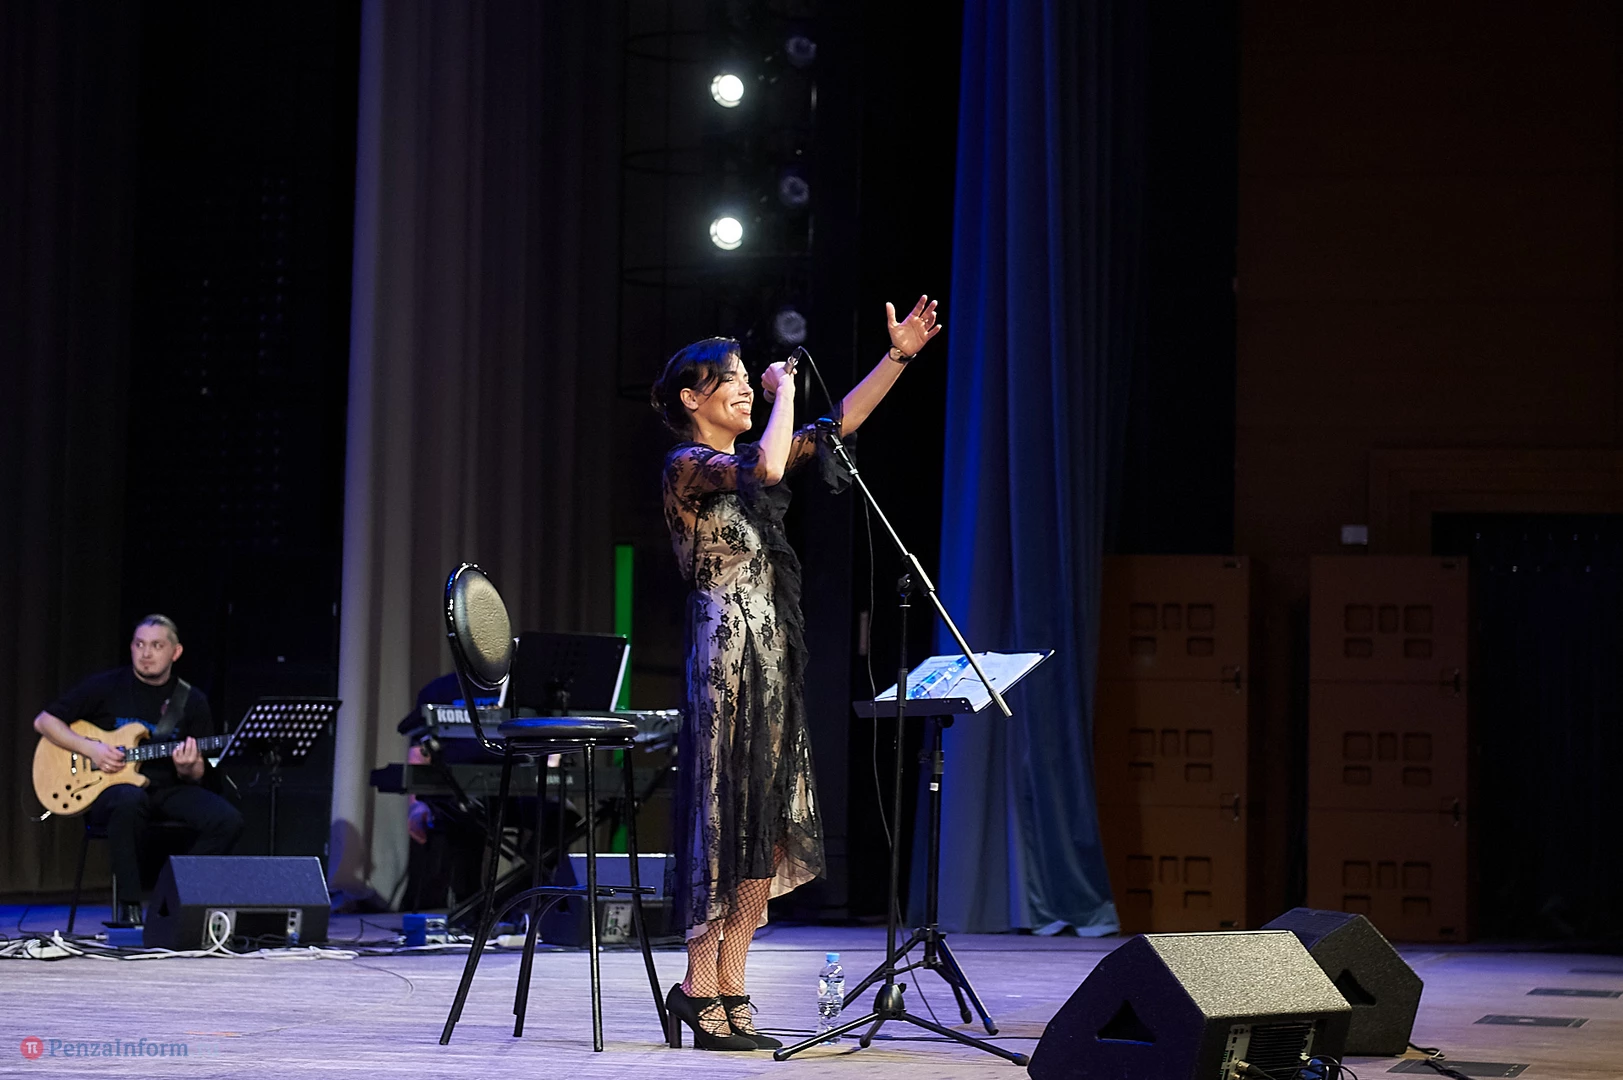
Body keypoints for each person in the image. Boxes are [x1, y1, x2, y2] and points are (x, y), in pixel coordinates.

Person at [650, 295, 942, 1050]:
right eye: (731, 378)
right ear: (691, 399)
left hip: (774, 657)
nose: (747, 386)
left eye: (749, 376)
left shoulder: (743, 460)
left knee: (768, 821)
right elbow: (770, 463)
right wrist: (783, 396)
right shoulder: (688, 466)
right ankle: (696, 986)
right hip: (724, 662)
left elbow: (836, 425)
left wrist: (899, 356)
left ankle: (730, 981)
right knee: (726, 818)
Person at [33, 615, 243, 925]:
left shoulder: (191, 700)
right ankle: (129, 909)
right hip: (111, 790)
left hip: (170, 788)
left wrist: (190, 768)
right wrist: (91, 749)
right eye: (139, 644)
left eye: (156, 646)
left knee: (228, 820)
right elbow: (44, 722)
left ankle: (173, 896)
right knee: (129, 800)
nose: (146, 653)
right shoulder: (106, 686)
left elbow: (201, 774)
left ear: (175, 652)